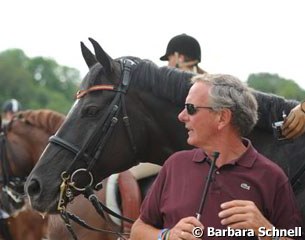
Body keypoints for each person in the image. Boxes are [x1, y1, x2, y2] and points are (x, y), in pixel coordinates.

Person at [130, 73, 303, 240]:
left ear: (222, 117)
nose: (181, 116)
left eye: (190, 108)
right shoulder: (175, 164)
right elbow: (138, 230)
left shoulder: (272, 177)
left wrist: (265, 230)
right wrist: (166, 236)